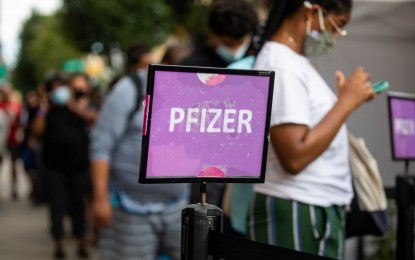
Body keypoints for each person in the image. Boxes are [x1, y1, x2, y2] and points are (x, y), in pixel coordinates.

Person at [248, 1, 376, 259]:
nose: (335, 37)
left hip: (315, 203)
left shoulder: (295, 62)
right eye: (336, 25)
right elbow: (294, 157)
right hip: (296, 203)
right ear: (311, 11)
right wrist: (345, 103)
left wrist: (343, 104)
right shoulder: (281, 63)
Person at [90, 42, 189, 260]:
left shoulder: (192, 94)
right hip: (130, 210)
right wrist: (100, 198)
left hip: (177, 208)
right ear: (164, 67)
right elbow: (102, 143)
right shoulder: (130, 89)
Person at [180, 0, 258, 206]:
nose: (234, 49)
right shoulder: (190, 68)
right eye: (227, 43)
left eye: (240, 42)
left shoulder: (257, 63)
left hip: (245, 170)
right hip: (206, 173)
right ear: (212, 34)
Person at [32, 72, 96, 259]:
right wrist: (44, 106)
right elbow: (37, 132)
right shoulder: (48, 109)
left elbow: (93, 118)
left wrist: (73, 106)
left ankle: (81, 242)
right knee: (56, 206)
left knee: (78, 206)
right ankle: (58, 243)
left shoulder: (80, 103)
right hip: (54, 168)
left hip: (78, 166)